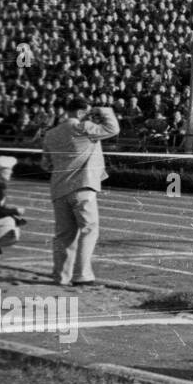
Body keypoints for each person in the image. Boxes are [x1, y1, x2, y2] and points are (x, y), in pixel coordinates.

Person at [41, 97, 119, 287]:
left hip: (59, 189)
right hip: (83, 187)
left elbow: (45, 164)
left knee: (63, 235)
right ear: (80, 112)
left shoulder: (50, 134)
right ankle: (82, 275)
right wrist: (104, 109)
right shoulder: (83, 128)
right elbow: (113, 129)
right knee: (89, 230)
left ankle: (61, 276)